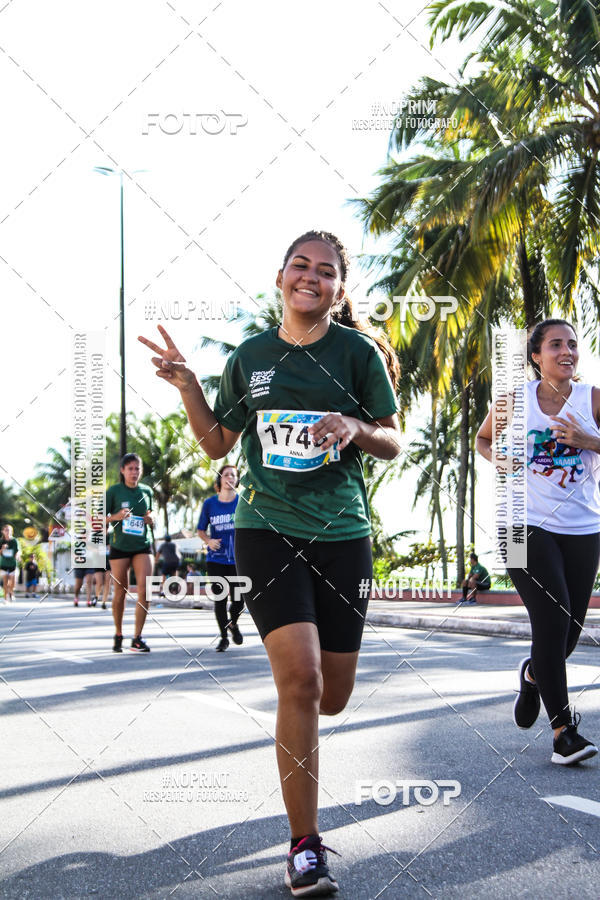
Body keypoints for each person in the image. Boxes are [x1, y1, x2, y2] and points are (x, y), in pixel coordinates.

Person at [140, 230, 401, 897]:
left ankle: (306, 822)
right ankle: (305, 846)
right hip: (267, 531)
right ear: (281, 276)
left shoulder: (359, 354)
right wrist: (189, 384)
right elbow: (214, 441)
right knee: (303, 683)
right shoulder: (252, 357)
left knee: (333, 697)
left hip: (343, 534)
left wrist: (355, 429)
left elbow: (393, 440)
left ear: (339, 288)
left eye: (326, 270)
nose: (310, 277)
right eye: (300, 266)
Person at [477, 318, 600, 765]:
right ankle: (564, 732)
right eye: (555, 345)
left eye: (572, 344)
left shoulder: (592, 399)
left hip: (582, 527)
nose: (566, 351)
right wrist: (500, 458)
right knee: (551, 622)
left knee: (566, 634)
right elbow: (483, 439)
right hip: (519, 524)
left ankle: (533, 676)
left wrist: (586, 439)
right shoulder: (514, 400)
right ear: (535, 356)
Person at [105, 453, 155, 653]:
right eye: (130, 468)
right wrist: (116, 517)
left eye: (137, 468)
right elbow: (96, 519)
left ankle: (137, 637)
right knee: (121, 591)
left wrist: (151, 518)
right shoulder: (114, 491)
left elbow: (151, 512)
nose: (134, 472)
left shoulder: (147, 491)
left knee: (145, 589)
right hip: (120, 546)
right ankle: (118, 633)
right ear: (123, 471)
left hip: (143, 544)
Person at [197, 464, 243, 651]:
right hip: (216, 559)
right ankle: (224, 637)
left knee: (239, 600)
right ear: (220, 479)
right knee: (220, 599)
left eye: (233, 475)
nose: (230, 478)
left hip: (239, 559)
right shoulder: (210, 504)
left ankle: (233, 622)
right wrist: (208, 540)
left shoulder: (242, 502)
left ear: (237, 479)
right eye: (226, 475)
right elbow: (200, 530)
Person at [0, 525, 19, 603]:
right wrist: (2, 549)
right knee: (5, 582)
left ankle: (11, 592)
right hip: (3, 564)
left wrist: (18, 556)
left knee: (12, 583)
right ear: (3, 531)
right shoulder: (1, 541)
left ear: (12, 531)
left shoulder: (14, 541)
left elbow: (17, 551)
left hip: (12, 564)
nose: (7, 532)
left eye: (9, 530)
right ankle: (5, 598)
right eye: (6, 530)